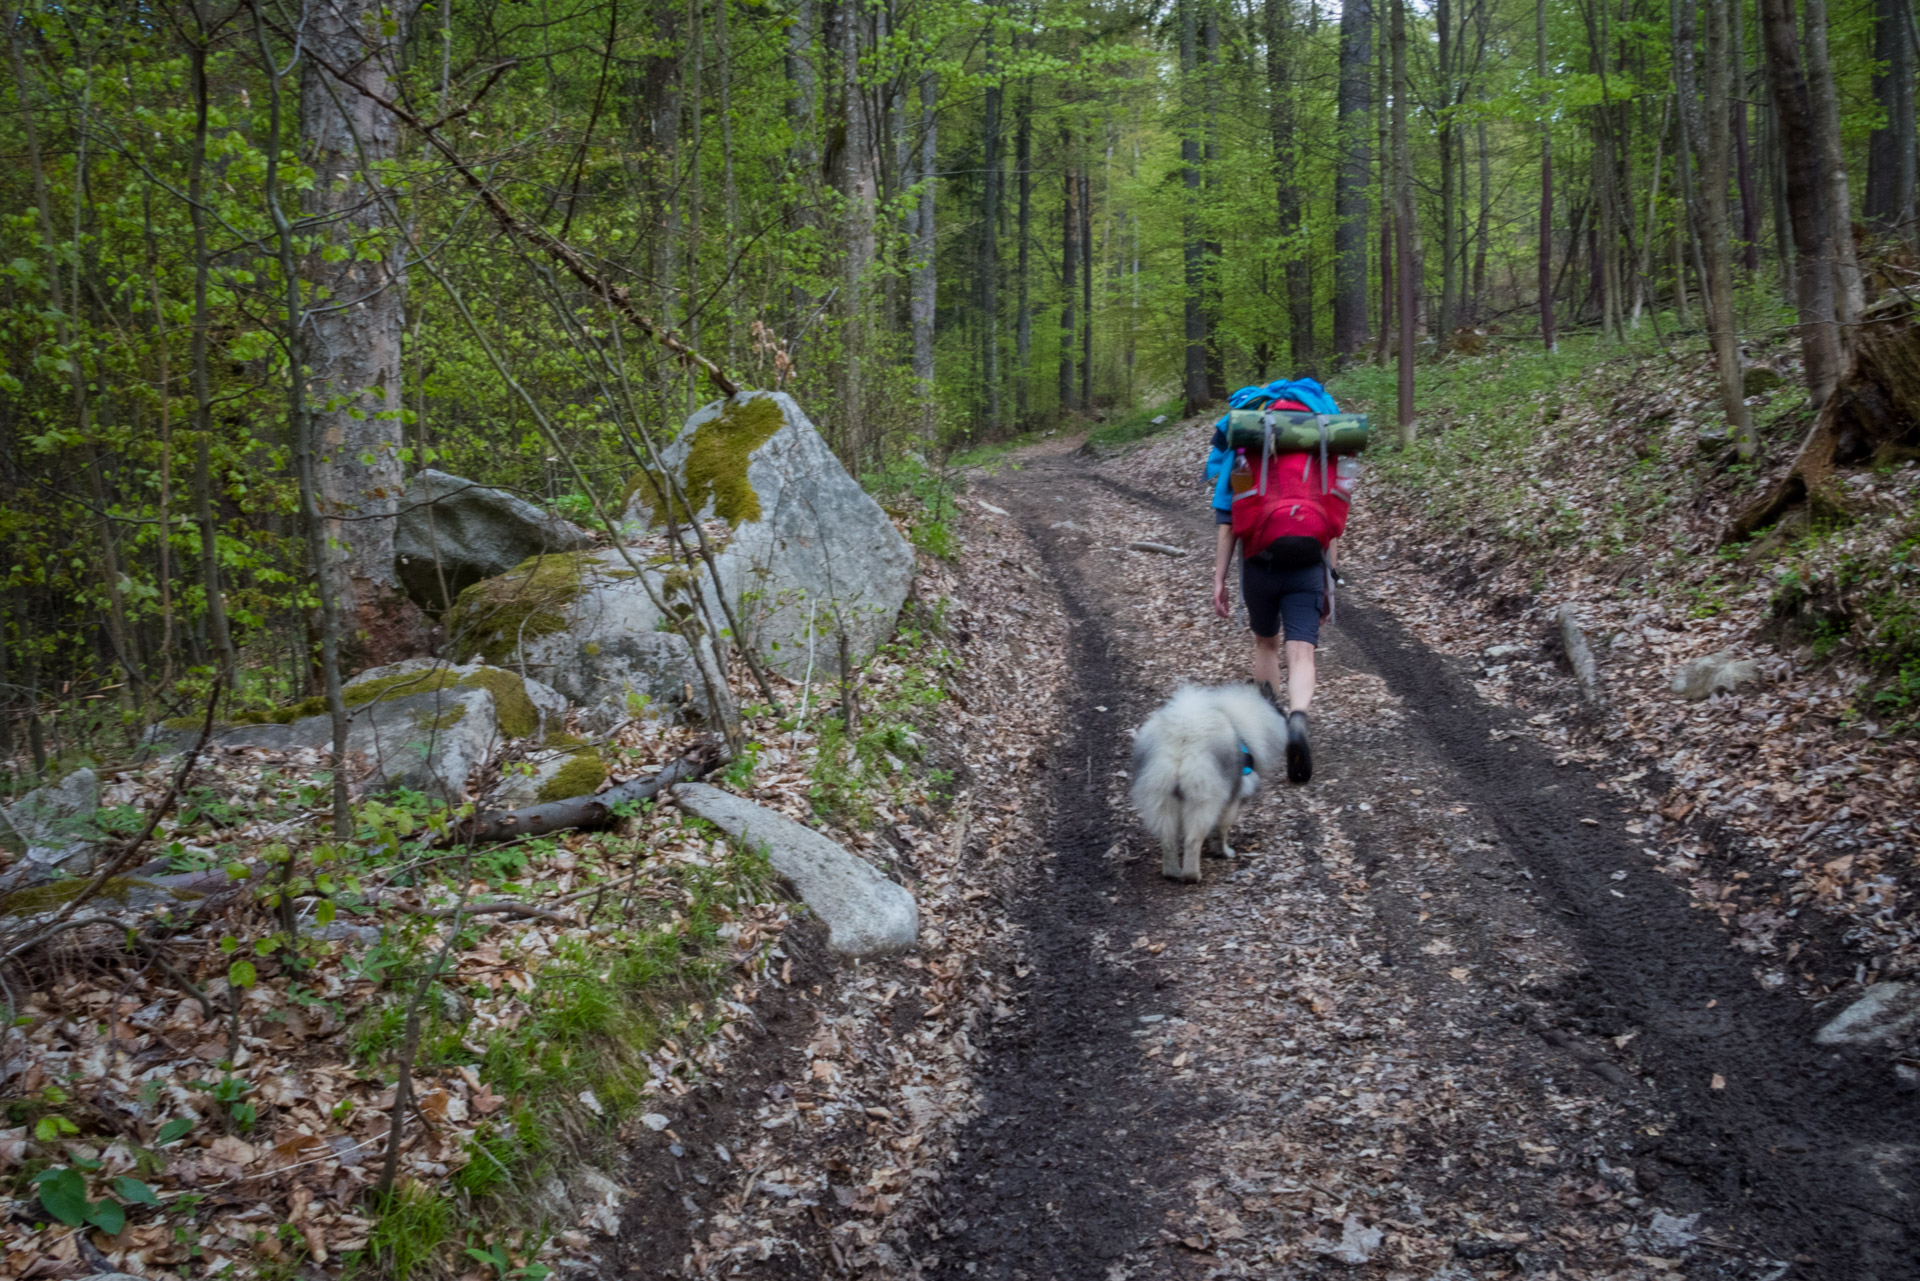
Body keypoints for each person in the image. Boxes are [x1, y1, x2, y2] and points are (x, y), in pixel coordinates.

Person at [1203, 379, 1350, 785]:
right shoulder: (1320, 450)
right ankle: (1298, 718)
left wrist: (1219, 579)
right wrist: (1329, 581)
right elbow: (1334, 524)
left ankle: (1268, 723)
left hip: (1258, 564)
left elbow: (1227, 523)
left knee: (1266, 642)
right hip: (1308, 563)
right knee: (1302, 652)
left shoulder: (1247, 449)